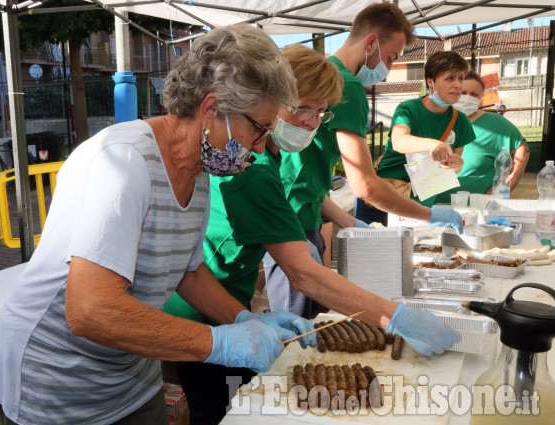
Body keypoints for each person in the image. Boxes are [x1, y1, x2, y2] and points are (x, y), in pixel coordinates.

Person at [0, 25, 317, 425]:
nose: (262, 145)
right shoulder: (123, 162)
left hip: (131, 377)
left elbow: (188, 271)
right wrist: (217, 342)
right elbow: (90, 310)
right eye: (259, 129)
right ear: (212, 110)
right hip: (59, 385)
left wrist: (242, 319)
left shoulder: (197, 172)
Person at [164, 44, 459, 425]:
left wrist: (242, 315)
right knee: (218, 408)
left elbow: (307, 209)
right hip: (199, 310)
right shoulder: (248, 169)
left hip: (227, 300)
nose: (310, 121)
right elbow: (302, 273)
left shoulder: (265, 156)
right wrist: (395, 317)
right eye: (301, 107)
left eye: (320, 112)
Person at [278, 2, 463, 236]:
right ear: (372, 42)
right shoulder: (349, 86)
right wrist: (429, 215)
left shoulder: (327, 75)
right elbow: (365, 186)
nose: (389, 68)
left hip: (293, 212)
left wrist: (350, 222)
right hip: (294, 222)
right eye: (390, 58)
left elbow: (305, 179)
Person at [366, 50, 475, 223]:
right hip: (386, 196)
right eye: (450, 78)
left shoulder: (460, 120)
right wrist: (433, 144)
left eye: (460, 78)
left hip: (423, 202)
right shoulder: (408, 109)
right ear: (430, 82)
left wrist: (458, 165)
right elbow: (399, 141)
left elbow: (452, 164)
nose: (457, 85)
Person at [435, 71, 529, 203]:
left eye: (474, 94)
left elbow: (521, 149)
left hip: (476, 206)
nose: (467, 98)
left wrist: (508, 184)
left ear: (481, 97)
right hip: (433, 204)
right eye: (463, 92)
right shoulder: (436, 119)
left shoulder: (496, 124)